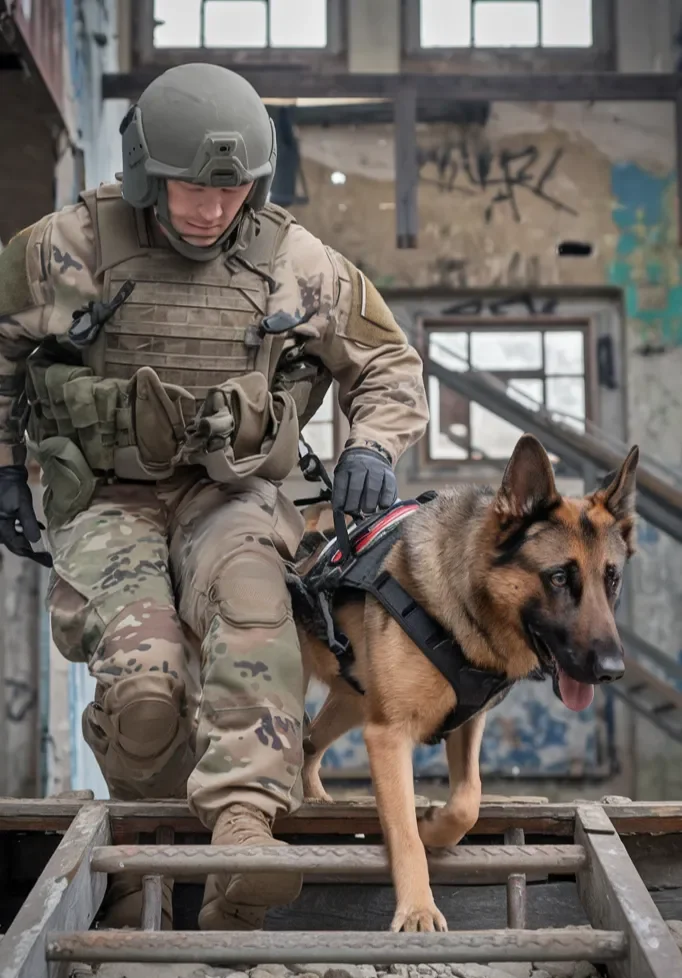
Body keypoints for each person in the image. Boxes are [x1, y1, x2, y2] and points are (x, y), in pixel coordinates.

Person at [0, 62, 429, 930]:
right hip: (107, 496)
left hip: (230, 492)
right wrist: (6, 465)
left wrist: (373, 446)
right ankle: (141, 859)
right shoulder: (66, 249)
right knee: (149, 691)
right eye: (192, 188)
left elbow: (387, 362)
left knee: (253, 610)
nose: (210, 209)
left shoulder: (289, 259)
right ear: (148, 172)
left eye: (230, 191)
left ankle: (244, 832)